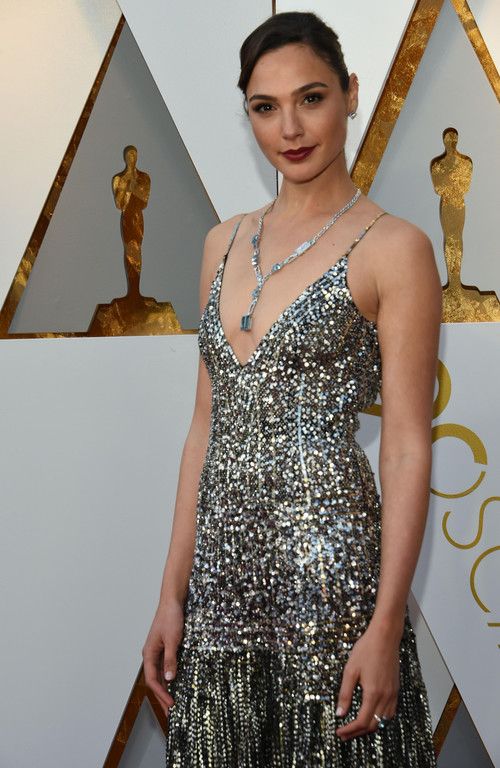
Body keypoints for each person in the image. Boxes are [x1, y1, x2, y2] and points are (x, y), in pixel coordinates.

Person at [143, 11, 441, 766]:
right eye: (265, 107)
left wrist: (385, 624)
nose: (290, 128)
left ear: (351, 93)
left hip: (331, 583)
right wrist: (172, 594)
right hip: (221, 587)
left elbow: (407, 445)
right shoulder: (221, 243)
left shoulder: (395, 247)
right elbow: (205, 428)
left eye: (311, 98)